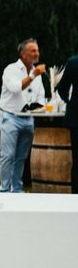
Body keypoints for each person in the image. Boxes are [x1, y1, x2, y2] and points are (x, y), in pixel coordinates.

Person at [0, 38, 46, 193]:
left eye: (37, 50)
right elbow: (16, 88)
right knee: (8, 155)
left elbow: (41, 96)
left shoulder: (36, 72)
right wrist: (32, 76)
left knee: (21, 157)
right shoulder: (10, 69)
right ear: (23, 53)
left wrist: (39, 106)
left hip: (28, 118)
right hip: (9, 116)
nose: (37, 53)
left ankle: (16, 190)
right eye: (33, 50)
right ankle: (4, 190)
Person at [56, 54, 78, 193]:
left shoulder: (73, 62)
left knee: (76, 160)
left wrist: (70, 103)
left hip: (76, 118)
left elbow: (62, 88)